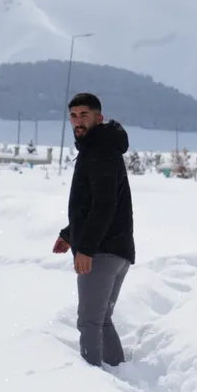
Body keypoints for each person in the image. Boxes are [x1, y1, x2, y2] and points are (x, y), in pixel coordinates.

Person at [53, 92, 136, 368]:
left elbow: (104, 206)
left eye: (84, 115)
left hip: (103, 250)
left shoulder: (99, 151)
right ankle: (119, 373)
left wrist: (85, 248)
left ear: (98, 118)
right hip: (116, 249)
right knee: (101, 321)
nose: (77, 121)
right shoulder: (100, 147)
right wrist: (70, 233)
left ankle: (93, 385)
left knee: (89, 322)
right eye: (73, 116)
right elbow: (91, 204)